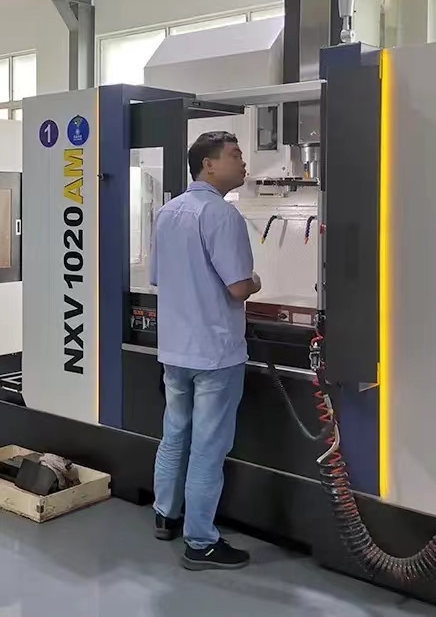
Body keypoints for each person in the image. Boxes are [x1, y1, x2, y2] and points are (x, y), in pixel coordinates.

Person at [148, 131, 261, 571]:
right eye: (235, 155)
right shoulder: (222, 215)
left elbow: (157, 277)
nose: (243, 162)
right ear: (208, 165)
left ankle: (165, 514)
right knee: (209, 448)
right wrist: (256, 282)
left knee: (175, 433)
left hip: (175, 349)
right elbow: (238, 288)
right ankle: (200, 542)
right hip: (215, 353)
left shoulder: (167, 212)